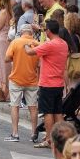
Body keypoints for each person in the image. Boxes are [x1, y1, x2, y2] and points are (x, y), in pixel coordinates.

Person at [26, 20, 68, 148]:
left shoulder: (50, 45)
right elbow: (44, 47)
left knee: (47, 113)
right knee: (58, 112)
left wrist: (26, 45)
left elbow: (30, 52)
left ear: (48, 31)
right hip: (58, 83)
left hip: (47, 83)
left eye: (45, 30)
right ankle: (60, 138)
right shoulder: (63, 44)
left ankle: (49, 139)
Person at [5, 25, 40, 141]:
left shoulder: (15, 42)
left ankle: (15, 133)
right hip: (32, 79)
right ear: (31, 33)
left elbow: (7, 58)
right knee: (33, 107)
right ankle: (34, 134)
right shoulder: (37, 43)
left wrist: (16, 58)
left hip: (16, 78)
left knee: (15, 106)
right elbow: (40, 63)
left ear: (21, 32)